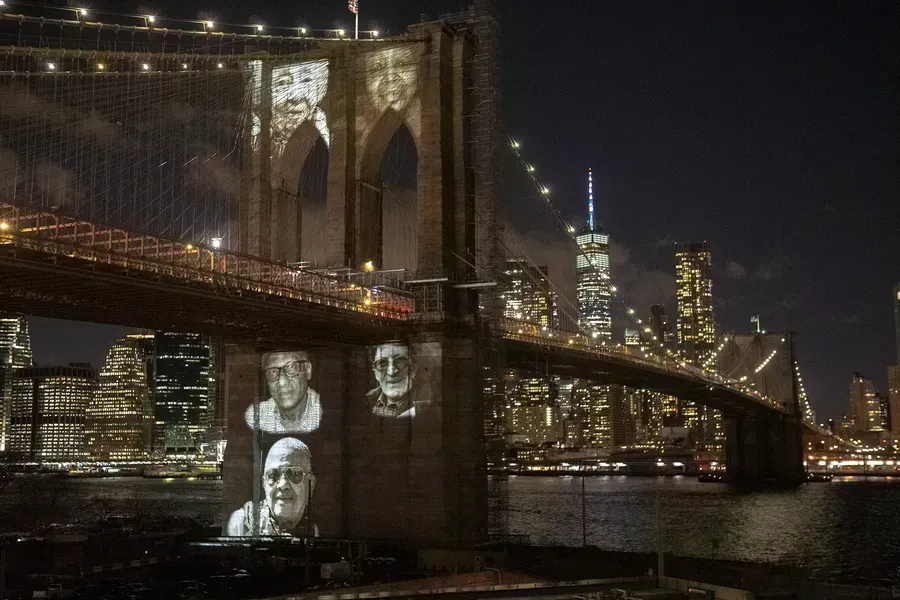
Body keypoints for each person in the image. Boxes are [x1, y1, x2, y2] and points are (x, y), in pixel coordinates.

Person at [225, 438, 318, 537]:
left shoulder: (313, 529)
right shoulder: (240, 523)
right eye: (273, 476)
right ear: (264, 484)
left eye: (294, 474)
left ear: (310, 484)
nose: (282, 485)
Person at [245, 350, 321, 434]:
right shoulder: (256, 416)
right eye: (272, 371)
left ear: (308, 370)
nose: (281, 382)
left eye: (291, 367)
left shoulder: (324, 412)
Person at [366, 342, 430, 418]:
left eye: (400, 361)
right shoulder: (367, 399)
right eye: (382, 363)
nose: (391, 372)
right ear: (375, 372)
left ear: (413, 369)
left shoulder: (425, 403)